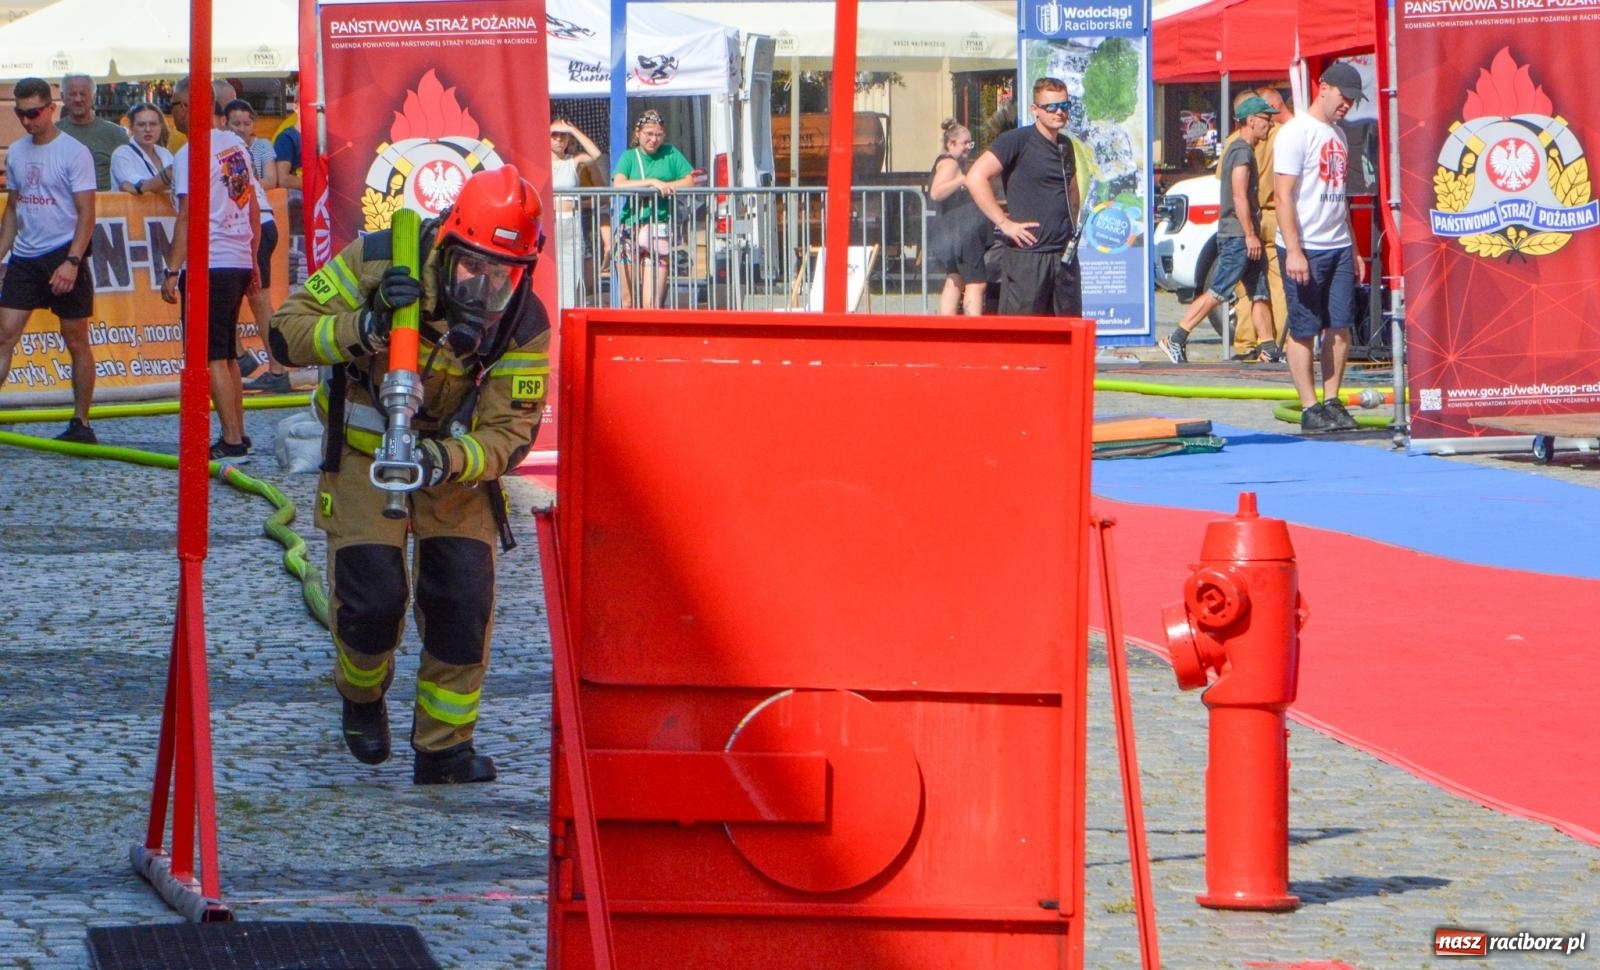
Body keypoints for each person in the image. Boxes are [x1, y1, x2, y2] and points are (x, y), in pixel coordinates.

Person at [267, 166, 551, 785]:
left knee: (460, 602)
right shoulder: (377, 260)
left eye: (502, 276)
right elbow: (283, 335)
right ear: (448, 241)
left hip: (452, 472)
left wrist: (444, 461)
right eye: (472, 268)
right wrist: (365, 325)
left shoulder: (524, 322)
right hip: (366, 460)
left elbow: (511, 433)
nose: (483, 287)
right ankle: (362, 695)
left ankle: (444, 748)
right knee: (371, 600)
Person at [158, 77, 262, 460]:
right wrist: (252, 260)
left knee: (211, 355)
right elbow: (249, 205)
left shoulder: (190, 153)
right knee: (227, 353)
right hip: (235, 255)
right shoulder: (235, 146)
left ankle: (232, 440)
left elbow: (187, 216)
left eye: (174, 107)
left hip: (211, 260)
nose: (173, 115)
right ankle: (239, 432)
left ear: (187, 107)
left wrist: (172, 269)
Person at [0, 77, 99, 444]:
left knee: (76, 340)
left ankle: (81, 421)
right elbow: (13, 210)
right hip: (26, 255)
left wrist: (72, 261)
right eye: (20, 114)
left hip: (63, 250)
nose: (27, 121)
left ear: (50, 108)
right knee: (4, 335)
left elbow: (87, 213)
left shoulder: (73, 152)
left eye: (34, 113)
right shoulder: (19, 153)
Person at [1275, 61, 1366, 433]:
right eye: (1344, 97)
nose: (1347, 105)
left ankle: (1332, 399)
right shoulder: (1296, 132)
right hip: (1306, 244)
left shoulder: (1339, 135)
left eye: (1352, 101)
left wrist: (1355, 248)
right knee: (1304, 327)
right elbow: (1283, 195)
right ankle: (1310, 406)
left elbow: (1339, 196)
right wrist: (1294, 249)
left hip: (1337, 242)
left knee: (1340, 326)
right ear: (1323, 87)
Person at [1160, 96, 1276, 364]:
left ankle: (1269, 348)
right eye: (1266, 118)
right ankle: (1176, 337)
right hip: (1238, 235)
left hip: (1245, 233)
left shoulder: (1242, 149)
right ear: (1251, 120)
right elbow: (1239, 195)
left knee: (1259, 292)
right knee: (1219, 290)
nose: (1269, 124)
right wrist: (1249, 234)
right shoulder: (1242, 152)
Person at [965, 77, 1091, 317]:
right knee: (1022, 338)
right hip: (1028, 259)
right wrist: (1004, 223)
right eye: (1051, 107)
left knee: (1065, 335)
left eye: (1064, 106)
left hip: (1062, 257)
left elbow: (1071, 188)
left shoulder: (1066, 145)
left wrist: (1073, 225)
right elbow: (975, 177)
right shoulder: (1016, 140)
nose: (1059, 113)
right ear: (1035, 110)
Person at [225, 98, 292, 394]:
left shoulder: (229, 148)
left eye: (245, 123)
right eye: (235, 124)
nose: (241, 129)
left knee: (259, 301)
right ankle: (239, 356)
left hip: (254, 225)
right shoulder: (231, 147)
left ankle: (276, 369)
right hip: (254, 223)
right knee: (228, 295)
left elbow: (240, 189)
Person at [1227, 84, 1295, 362]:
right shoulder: (1282, 135)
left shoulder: (1235, 141)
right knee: (1278, 286)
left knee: (1247, 286)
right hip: (1274, 214)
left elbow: (1224, 181)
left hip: (1248, 219)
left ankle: (1246, 343)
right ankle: (1282, 343)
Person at [611, 109, 695, 309]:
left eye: (658, 135)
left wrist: (670, 186)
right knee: (628, 298)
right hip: (630, 229)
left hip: (659, 229)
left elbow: (692, 179)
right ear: (638, 133)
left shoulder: (671, 153)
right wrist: (652, 183)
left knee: (652, 302)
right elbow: (619, 183)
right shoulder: (629, 157)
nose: (653, 139)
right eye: (649, 134)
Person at [927, 119, 988, 317]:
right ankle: (973, 331)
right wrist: (963, 179)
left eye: (970, 143)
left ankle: (947, 327)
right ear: (950, 144)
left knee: (955, 278)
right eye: (964, 143)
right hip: (961, 231)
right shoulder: (950, 164)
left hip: (951, 230)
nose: (968, 148)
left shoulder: (946, 161)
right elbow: (936, 192)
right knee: (976, 282)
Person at [550, 117, 600, 308]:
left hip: (570, 222)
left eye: (563, 136)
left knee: (571, 272)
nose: (559, 139)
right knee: (551, 273)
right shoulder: (539, 160)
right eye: (554, 135)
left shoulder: (574, 161)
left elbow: (595, 154)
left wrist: (573, 130)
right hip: (550, 222)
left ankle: (568, 313)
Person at [57, 73, 128, 192]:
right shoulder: (52, 133)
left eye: (83, 94)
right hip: (63, 206)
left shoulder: (115, 134)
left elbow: (129, 174)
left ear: (93, 97)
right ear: (63, 97)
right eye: (73, 94)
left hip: (104, 206)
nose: (78, 99)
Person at [111, 102, 175, 204]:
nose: (148, 129)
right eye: (141, 124)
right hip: (134, 217)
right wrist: (169, 176)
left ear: (160, 126)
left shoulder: (165, 153)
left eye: (153, 124)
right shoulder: (122, 154)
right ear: (131, 127)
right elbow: (139, 187)